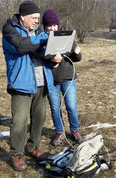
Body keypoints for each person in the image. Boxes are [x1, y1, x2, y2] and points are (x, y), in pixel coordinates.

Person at [1, 1, 62, 171]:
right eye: (34, 18)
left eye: (38, 18)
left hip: (40, 83)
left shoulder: (38, 32)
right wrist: (45, 38)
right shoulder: (9, 30)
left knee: (40, 118)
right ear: (23, 17)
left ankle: (33, 147)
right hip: (21, 84)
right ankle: (16, 154)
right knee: (19, 122)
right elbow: (22, 46)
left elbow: (41, 52)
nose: (37, 21)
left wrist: (53, 58)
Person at [42, 9, 82, 146]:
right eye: (49, 25)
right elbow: (41, 58)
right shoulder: (41, 39)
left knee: (71, 106)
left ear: (58, 25)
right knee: (55, 107)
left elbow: (77, 58)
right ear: (45, 26)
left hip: (68, 78)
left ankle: (75, 130)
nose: (52, 28)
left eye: (54, 25)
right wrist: (52, 62)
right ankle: (59, 131)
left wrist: (77, 53)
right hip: (51, 80)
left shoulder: (67, 37)